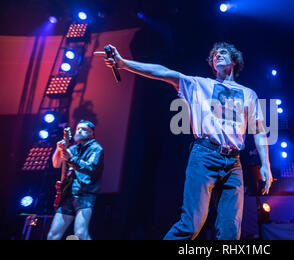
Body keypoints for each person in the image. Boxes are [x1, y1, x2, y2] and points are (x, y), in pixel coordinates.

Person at [94, 42, 273, 240]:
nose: (218, 56)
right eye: (214, 56)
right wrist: (124, 63)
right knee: (191, 224)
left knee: (231, 230)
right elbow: (163, 72)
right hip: (205, 155)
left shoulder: (249, 94)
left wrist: (265, 164)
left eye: (223, 53)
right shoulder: (199, 84)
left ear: (234, 61)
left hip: (234, 163)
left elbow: (258, 129)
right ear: (212, 65)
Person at [47, 120, 104, 240]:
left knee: (80, 234)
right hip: (68, 194)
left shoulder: (96, 149)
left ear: (92, 134)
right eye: (78, 128)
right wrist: (60, 148)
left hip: (85, 195)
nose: (79, 131)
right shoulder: (72, 148)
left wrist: (71, 158)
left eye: (84, 129)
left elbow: (90, 168)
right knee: (53, 235)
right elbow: (56, 164)